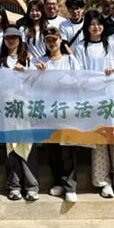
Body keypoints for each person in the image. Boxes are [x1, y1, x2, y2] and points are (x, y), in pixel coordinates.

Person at [73, 11, 114, 199]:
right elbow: (79, 72)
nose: (96, 27)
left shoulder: (112, 44)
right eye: (92, 24)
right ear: (87, 27)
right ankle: (103, 182)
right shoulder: (80, 47)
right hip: (93, 98)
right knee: (99, 140)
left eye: (99, 24)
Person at [35, 27, 82, 203]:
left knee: (67, 149)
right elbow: (32, 85)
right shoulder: (39, 61)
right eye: (48, 40)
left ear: (60, 40)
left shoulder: (70, 60)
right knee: (52, 149)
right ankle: (57, 181)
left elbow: (80, 80)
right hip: (47, 111)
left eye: (54, 39)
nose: (52, 43)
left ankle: (70, 185)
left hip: (66, 110)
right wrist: (38, 73)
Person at [0, 27, 39, 201]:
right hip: (7, 108)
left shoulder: (29, 59)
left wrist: (27, 71)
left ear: (20, 39)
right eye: (8, 38)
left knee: (27, 146)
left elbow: (37, 80)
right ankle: (14, 185)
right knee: (10, 147)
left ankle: (32, 185)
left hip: (25, 108)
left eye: (14, 37)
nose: (11, 40)